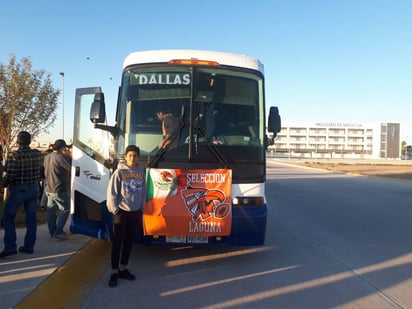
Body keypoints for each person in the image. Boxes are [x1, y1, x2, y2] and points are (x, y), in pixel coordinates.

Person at [106, 145, 146, 287]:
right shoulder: (119, 172)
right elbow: (112, 194)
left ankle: (123, 269)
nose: (132, 158)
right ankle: (114, 272)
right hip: (121, 212)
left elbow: (143, 191)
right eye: (130, 155)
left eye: (135, 155)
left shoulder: (141, 172)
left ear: (138, 157)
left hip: (135, 213)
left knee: (129, 241)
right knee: (117, 243)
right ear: (125, 156)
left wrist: (141, 208)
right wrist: (115, 211)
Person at [0, 131, 43, 258]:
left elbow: (10, 175)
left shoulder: (14, 156)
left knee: (8, 217)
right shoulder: (37, 154)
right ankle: (29, 246)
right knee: (31, 218)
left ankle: (10, 247)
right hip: (34, 188)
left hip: (19, 189)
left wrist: (4, 184)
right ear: (29, 141)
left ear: (18, 141)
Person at [43, 139, 71, 240]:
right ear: (63, 148)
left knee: (51, 210)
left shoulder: (47, 157)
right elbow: (72, 168)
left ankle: (52, 231)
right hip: (59, 188)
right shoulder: (61, 157)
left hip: (49, 188)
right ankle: (58, 231)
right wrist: (68, 155)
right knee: (65, 209)